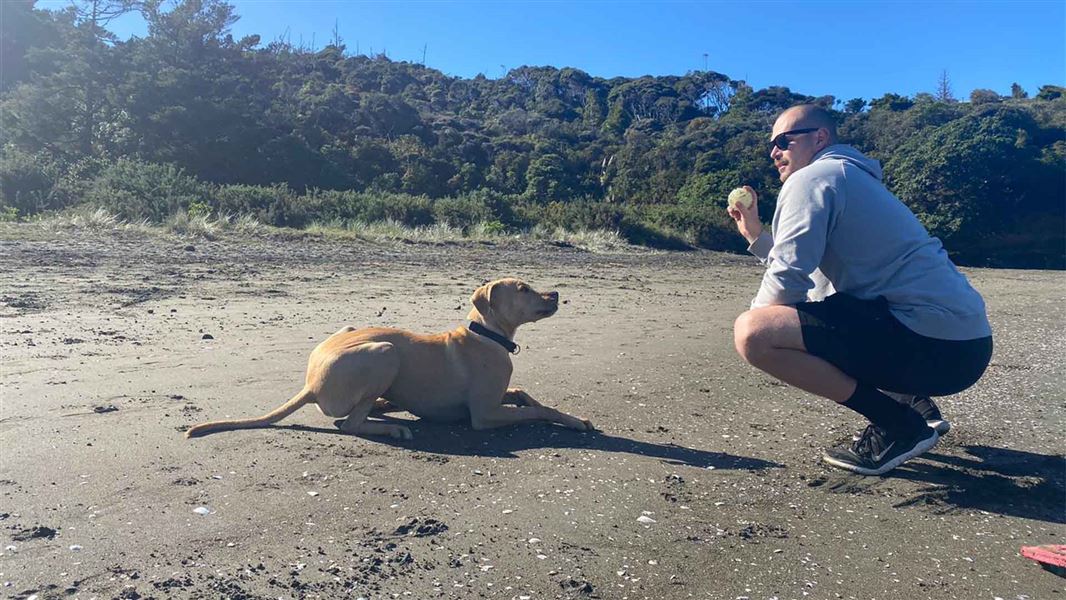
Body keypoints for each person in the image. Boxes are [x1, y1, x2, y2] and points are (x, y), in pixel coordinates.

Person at [727, 104, 993, 476]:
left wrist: (761, 330)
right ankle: (913, 404)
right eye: (772, 145)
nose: (775, 151)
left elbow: (788, 282)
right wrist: (757, 238)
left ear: (819, 138)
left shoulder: (812, 179)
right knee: (826, 314)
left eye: (784, 141)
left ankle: (898, 424)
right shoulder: (849, 177)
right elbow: (819, 279)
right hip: (962, 344)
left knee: (754, 334)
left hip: (932, 345)